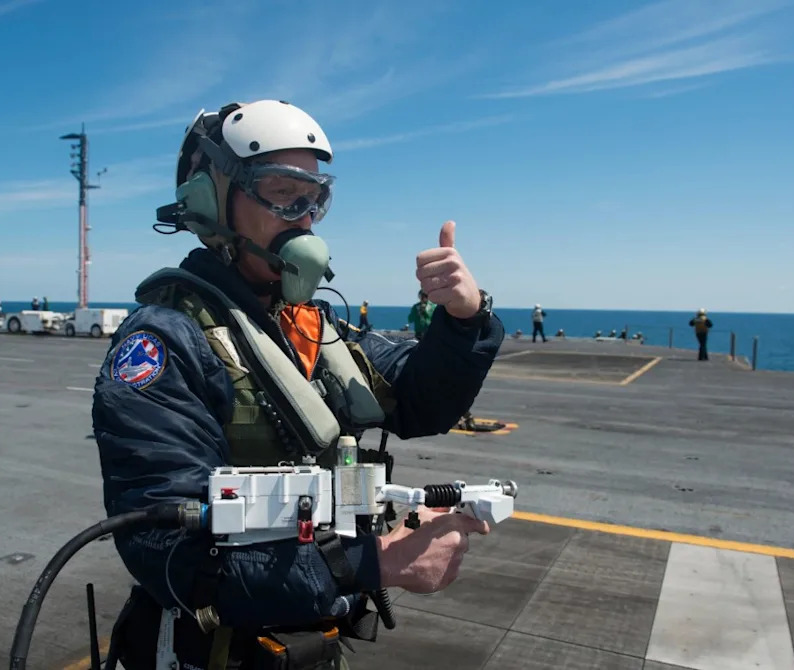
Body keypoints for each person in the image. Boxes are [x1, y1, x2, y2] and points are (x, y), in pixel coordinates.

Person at [92, 99, 503, 670]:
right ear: (212, 200)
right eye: (282, 192)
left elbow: (419, 402)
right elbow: (164, 548)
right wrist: (372, 563)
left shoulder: (312, 327)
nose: (304, 215)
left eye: (315, 196)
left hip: (305, 646)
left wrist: (465, 321)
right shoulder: (165, 343)